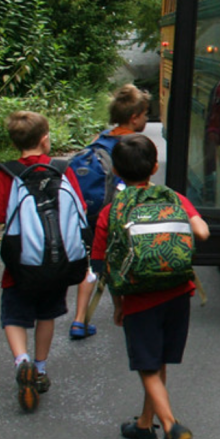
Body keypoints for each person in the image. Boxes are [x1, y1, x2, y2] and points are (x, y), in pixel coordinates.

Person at [90, 134, 209, 439]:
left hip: (139, 298)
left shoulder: (112, 212)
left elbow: (102, 266)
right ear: (155, 167)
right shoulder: (174, 198)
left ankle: (171, 428)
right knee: (157, 363)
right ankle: (145, 424)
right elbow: (202, 233)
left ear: (116, 171)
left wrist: (117, 304)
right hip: (177, 290)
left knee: (146, 366)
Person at [0, 110, 87, 412]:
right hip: (57, 262)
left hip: (22, 263)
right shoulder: (60, 169)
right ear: (45, 139)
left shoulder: (9, 172)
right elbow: (80, 207)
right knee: (47, 314)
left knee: (14, 315)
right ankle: (41, 369)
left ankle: (22, 361)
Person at [70, 84, 151, 339]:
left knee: (93, 265)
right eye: (146, 114)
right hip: (120, 212)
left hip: (93, 212)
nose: (147, 119)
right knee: (121, 261)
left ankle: (79, 320)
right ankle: (126, 312)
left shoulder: (101, 137)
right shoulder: (136, 144)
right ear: (134, 117)